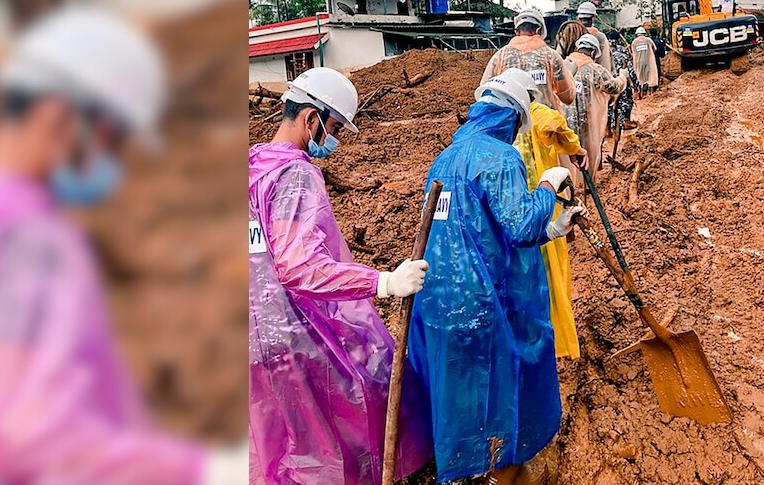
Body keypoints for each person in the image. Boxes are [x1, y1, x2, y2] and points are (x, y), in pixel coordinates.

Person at [0, 9, 246, 485]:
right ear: (60, 116)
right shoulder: (28, 244)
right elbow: (31, 440)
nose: (114, 161)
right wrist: (204, 471)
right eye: (112, 139)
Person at [249, 67, 432, 485]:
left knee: (279, 436)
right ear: (311, 118)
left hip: (254, 333)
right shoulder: (294, 175)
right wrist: (382, 282)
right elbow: (299, 267)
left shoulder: (251, 165)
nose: (333, 138)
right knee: (356, 400)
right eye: (332, 127)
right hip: (295, 332)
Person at [408, 69, 583, 484]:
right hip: (485, 303)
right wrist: (546, 186)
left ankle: (463, 465)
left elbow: (481, 229)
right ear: (513, 119)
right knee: (500, 390)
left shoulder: (445, 158)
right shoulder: (501, 157)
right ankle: (501, 470)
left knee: (460, 392)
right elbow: (519, 227)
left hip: (437, 299)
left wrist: (553, 229)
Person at [506, 69, 588, 361]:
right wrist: (577, 150)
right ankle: (556, 342)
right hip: (543, 202)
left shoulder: (500, 121)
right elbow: (560, 131)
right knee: (551, 272)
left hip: (510, 210)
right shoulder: (540, 114)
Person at [481, 8, 574, 112]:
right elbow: (568, 97)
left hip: (513, 122)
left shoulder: (499, 57)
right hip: (544, 123)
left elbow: (486, 92)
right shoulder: (552, 56)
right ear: (538, 30)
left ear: (516, 32)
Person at [563, 34, 627, 183]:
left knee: (567, 153)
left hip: (563, 120)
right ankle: (586, 185)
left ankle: (570, 186)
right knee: (586, 153)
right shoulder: (595, 70)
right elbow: (613, 87)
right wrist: (623, 77)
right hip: (586, 120)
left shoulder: (562, 65)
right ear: (593, 52)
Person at [606, 30, 639, 133]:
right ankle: (624, 121)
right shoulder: (622, 53)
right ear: (619, 39)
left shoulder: (604, 53)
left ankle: (607, 128)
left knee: (609, 105)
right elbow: (630, 70)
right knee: (626, 100)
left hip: (608, 84)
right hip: (621, 82)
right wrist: (636, 83)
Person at [574, 1, 613, 70]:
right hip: (596, 75)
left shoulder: (570, 34)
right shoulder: (600, 37)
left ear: (578, 17)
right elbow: (605, 61)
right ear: (593, 18)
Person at [632, 26, 660, 97]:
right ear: (644, 33)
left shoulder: (634, 42)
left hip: (638, 62)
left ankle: (641, 92)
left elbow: (633, 52)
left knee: (640, 77)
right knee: (650, 76)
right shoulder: (648, 40)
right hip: (649, 61)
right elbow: (654, 48)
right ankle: (650, 92)